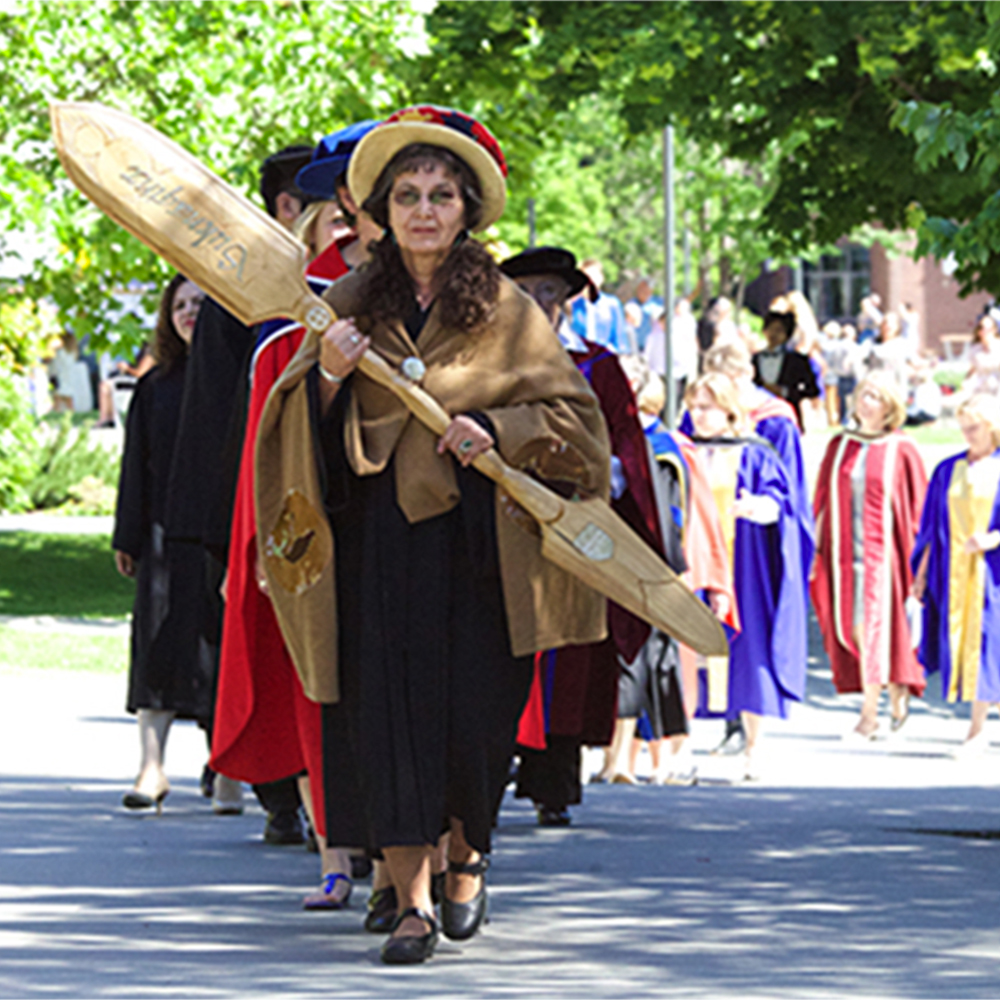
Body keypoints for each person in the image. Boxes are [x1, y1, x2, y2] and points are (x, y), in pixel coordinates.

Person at [255, 107, 610, 964]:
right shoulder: (345, 300)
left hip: (480, 548)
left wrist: (500, 430)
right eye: (407, 195)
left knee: (474, 722)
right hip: (377, 546)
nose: (423, 210)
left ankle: (467, 858)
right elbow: (287, 421)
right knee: (386, 719)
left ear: (466, 211)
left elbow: (575, 421)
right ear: (379, 210)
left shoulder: (506, 309)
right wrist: (330, 380)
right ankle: (411, 901)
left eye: (440, 195)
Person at [211, 121, 380, 911]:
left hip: (399, 528)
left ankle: (399, 841)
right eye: (339, 209)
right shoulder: (289, 316)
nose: (352, 223)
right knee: (317, 683)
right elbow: (261, 453)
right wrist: (253, 552)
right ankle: (333, 852)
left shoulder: (426, 298)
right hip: (317, 530)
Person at [166, 143, 315, 831]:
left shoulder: (329, 289)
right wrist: (225, 530)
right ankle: (280, 796)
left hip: (314, 492)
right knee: (264, 643)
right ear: (288, 207)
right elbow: (218, 410)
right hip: (254, 495)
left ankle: (302, 798)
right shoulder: (240, 290)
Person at [499, 245, 670, 816]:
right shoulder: (487, 360)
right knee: (499, 652)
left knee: (568, 654)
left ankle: (554, 789)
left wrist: (597, 479)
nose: (541, 303)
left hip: (576, 527)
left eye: (552, 292)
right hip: (505, 528)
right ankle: (486, 778)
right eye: (529, 291)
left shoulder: (598, 364)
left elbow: (627, 446)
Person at [113, 275, 206, 811]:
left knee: (219, 650)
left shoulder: (237, 378)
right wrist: (127, 535)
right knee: (155, 646)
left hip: (219, 533)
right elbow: (134, 468)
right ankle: (152, 768)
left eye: (200, 304)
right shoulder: (155, 386)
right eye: (181, 305)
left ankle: (227, 773)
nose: (190, 313)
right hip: (161, 533)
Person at [684, 373, 808, 780]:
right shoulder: (685, 451)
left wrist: (759, 506)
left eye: (706, 407)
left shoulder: (755, 453)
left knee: (749, 653)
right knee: (689, 657)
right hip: (693, 567)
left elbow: (780, 502)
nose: (697, 415)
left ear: (729, 409)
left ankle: (753, 748)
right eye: (693, 406)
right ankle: (681, 748)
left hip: (743, 568)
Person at [812, 372, 928, 739]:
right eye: (862, 394)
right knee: (856, 630)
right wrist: (813, 550)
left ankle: (869, 716)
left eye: (875, 396)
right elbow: (820, 503)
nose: (865, 401)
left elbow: (918, 508)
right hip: (842, 555)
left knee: (873, 627)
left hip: (884, 557)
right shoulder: (840, 445)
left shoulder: (902, 448)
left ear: (891, 405)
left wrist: (920, 566)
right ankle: (895, 689)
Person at [912, 394, 1000, 757]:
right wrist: (919, 575)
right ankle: (977, 727)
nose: (967, 434)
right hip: (955, 574)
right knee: (973, 645)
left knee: (991, 644)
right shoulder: (947, 469)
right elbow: (930, 528)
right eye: (963, 427)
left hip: (994, 573)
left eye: (974, 427)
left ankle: (978, 730)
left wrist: (994, 538)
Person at [752, 308, 820, 430]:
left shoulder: (798, 361)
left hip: (789, 417)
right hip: (758, 418)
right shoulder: (753, 359)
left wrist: (785, 392)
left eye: (779, 331)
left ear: (786, 335)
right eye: (771, 329)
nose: (774, 334)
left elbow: (812, 389)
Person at [569, 258, 628, 353]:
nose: (590, 281)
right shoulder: (572, 304)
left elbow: (619, 339)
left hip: (603, 358)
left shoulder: (612, 304)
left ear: (601, 278)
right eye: (586, 277)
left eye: (594, 276)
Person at [964, 313, 1000, 397]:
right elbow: (972, 370)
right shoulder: (975, 350)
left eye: (988, 329)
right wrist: (965, 383)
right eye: (981, 328)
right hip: (980, 392)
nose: (984, 331)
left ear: (994, 330)